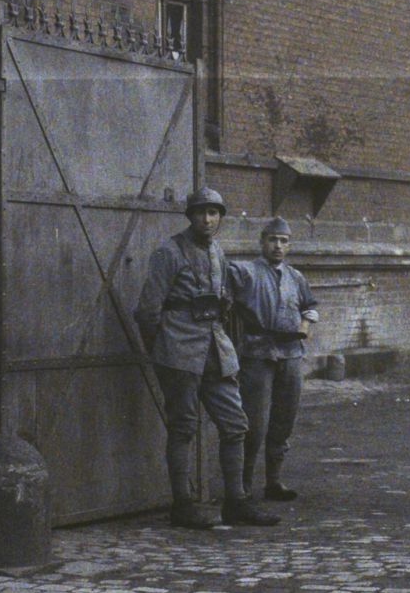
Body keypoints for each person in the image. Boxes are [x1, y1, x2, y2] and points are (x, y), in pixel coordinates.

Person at [133, 188, 279, 530]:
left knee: (235, 424)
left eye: (214, 213)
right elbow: (147, 311)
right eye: (201, 212)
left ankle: (236, 501)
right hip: (179, 349)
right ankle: (182, 505)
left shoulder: (218, 251)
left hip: (215, 348)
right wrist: (162, 349)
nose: (208, 219)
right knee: (183, 427)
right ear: (190, 216)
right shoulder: (168, 252)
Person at [231, 217, 319, 502]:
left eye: (283, 241)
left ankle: (274, 481)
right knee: (254, 422)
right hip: (257, 354)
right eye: (272, 240)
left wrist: (305, 325)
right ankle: (242, 484)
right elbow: (225, 278)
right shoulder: (248, 272)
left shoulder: (296, 277)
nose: (277, 246)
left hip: (291, 354)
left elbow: (309, 307)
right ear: (262, 242)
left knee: (284, 419)